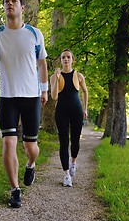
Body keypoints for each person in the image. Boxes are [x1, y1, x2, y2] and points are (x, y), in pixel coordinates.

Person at [0, 0, 48, 208]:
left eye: (14, 1)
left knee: (30, 147)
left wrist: (44, 90)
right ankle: (15, 190)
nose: (9, 4)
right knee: (9, 143)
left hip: (31, 97)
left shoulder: (35, 34)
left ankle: (31, 164)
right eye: (6, 1)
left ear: (22, 7)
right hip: (7, 97)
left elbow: (42, 63)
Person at [50, 49, 88, 187]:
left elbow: (85, 91)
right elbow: (54, 96)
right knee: (63, 142)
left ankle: (73, 162)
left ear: (72, 60)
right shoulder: (54, 76)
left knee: (75, 140)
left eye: (68, 57)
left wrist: (85, 108)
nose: (65, 59)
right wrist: (57, 77)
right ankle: (66, 175)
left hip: (76, 111)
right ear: (60, 60)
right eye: (63, 57)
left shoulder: (79, 76)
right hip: (61, 111)